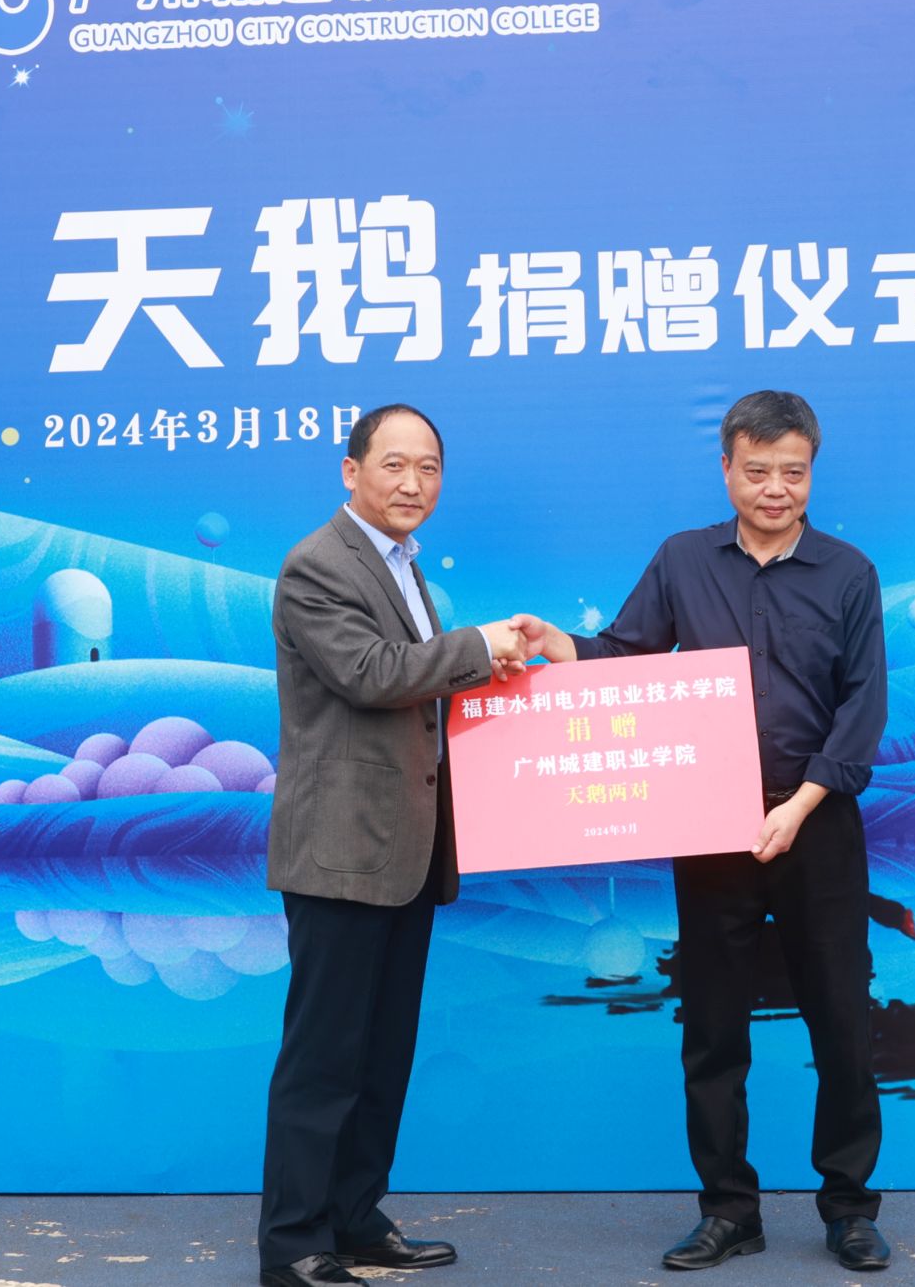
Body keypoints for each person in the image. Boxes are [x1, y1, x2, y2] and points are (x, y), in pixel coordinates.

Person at [515, 391, 892, 1273]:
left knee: (842, 1021)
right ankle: (728, 1210)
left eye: (793, 472)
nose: (775, 489)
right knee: (714, 1030)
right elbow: (625, 657)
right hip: (711, 824)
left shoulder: (849, 573)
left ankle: (849, 1208)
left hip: (816, 823)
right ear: (726, 470)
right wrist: (560, 645)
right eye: (757, 471)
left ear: (811, 471)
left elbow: (863, 707)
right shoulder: (683, 560)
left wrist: (799, 806)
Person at [257, 403, 535, 1287]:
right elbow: (370, 674)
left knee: (381, 1057)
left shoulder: (402, 565)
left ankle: (354, 1216)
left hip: (404, 854)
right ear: (351, 471)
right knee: (324, 1060)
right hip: (342, 854)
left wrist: (490, 662)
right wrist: (476, 646)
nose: (414, 483)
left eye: (429, 468)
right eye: (394, 465)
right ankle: (293, 1244)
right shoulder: (317, 564)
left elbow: (419, 688)